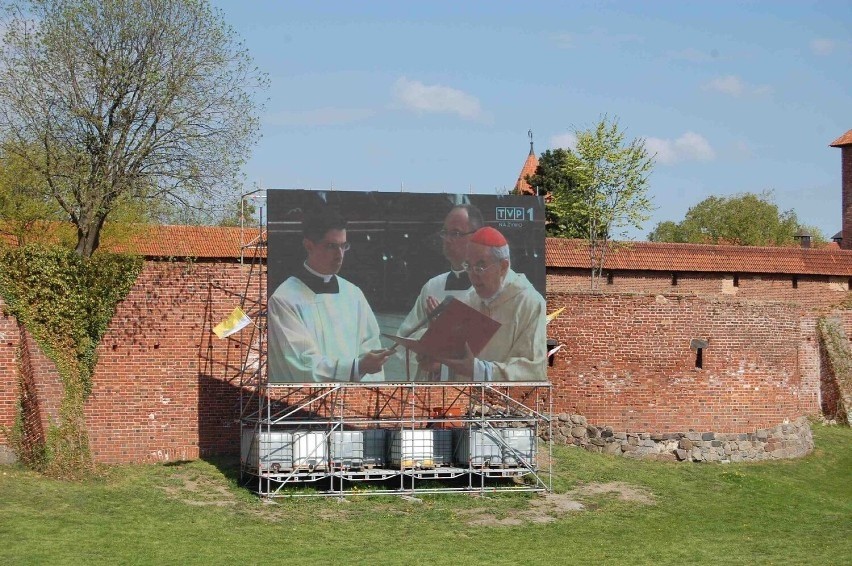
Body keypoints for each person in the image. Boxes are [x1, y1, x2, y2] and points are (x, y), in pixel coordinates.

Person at [267, 209, 390, 382]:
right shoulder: (284, 300)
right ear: (309, 245)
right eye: (331, 246)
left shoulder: (353, 293)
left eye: (343, 246)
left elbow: (370, 346)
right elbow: (302, 365)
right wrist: (357, 367)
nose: (340, 255)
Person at [437, 226, 547, 382]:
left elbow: (534, 369)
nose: (473, 275)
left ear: (503, 266)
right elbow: (455, 358)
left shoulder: (530, 304)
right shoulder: (469, 300)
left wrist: (479, 370)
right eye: (468, 266)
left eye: (480, 267)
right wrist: (438, 358)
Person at [396, 204, 484, 380]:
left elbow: (494, 348)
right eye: (445, 233)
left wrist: (444, 331)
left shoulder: (489, 287)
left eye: (456, 233)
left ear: (476, 237)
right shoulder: (432, 286)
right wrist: (432, 335)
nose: (448, 239)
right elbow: (404, 338)